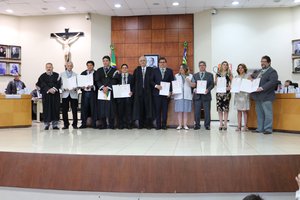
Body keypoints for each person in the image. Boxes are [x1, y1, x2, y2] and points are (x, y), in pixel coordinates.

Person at [250, 55, 278, 135]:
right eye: (261, 61)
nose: (262, 63)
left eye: (264, 62)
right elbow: (252, 78)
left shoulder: (272, 72)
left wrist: (262, 87)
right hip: (257, 96)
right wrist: (251, 80)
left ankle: (268, 129)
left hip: (266, 96)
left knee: (268, 113)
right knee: (259, 113)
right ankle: (260, 128)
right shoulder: (259, 71)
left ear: (269, 62)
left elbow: (272, 82)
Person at [95, 55, 118, 129]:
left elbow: (115, 80)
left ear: (109, 62)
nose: (105, 62)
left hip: (110, 91)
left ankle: (111, 124)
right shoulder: (99, 70)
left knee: (111, 108)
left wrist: (108, 87)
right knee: (102, 108)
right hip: (102, 92)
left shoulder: (114, 70)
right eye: (104, 61)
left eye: (106, 61)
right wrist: (102, 87)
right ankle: (103, 124)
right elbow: (97, 80)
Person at [151, 57, 174, 130]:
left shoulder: (170, 71)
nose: (162, 63)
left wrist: (170, 91)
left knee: (165, 110)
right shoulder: (154, 71)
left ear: (166, 63)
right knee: (157, 110)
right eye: (161, 62)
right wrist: (156, 85)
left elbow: (172, 82)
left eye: (163, 62)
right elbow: (151, 81)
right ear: (158, 63)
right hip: (157, 94)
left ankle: (164, 125)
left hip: (166, 95)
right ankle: (158, 125)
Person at [37, 63, 61, 130]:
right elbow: (41, 84)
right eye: (47, 67)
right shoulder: (42, 76)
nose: (49, 68)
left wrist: (53, 89)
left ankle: (55, 125)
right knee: (47, 109)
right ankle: (46, 124)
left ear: (52, 67)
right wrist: (48, 89)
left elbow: (59, 83)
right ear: (45, 68)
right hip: (46, 95)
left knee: (55, 109)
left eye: (50, 67)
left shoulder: (57, 75)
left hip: (55, 95)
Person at [132, 56, 154, 129]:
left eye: (144, 60)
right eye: (141, 61)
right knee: (140, 109)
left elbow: (152, 81)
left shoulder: (151, 70)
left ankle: (148, 125)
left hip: (148, 93)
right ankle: (141, 124)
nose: (142, 62)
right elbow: (133, 82)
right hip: (139, 93)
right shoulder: (136, 70)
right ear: (139, 62)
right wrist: (132, 91)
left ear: (146, 61)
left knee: (148, 108)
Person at [192, 61, 214, 130]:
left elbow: (212, 84)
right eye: (200, 65)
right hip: (197, 96)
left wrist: (208, 89)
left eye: (203, 65)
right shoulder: (195, 75)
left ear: (205, 66)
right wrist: (194, 89)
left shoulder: (210, 75)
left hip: (206, 95)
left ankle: (207, 125)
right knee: (197, 111)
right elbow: (193, 84)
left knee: (207, 111)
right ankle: (197, 125)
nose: (202, 66)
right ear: (199, 67)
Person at [173, 64, 193, 130]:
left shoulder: (190, 76)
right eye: (180, 68)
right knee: (179, 111)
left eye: (182, 68)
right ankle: (179, 125)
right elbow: (174, 85)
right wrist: (174, 91)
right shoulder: (176, 76)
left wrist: (188, 81)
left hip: (187, 95)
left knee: (185, 111)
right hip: (179, 96)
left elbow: (193, 85)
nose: (180, 69)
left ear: (185, 69)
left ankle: (185, 125)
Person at [115, 64, 134, 129]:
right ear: (121, 69)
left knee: (128, 111)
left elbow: (134, 86)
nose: (124, 69)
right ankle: (121, 124)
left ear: (128, 69)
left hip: (128, 96)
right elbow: (114, 85)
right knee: (120, 111)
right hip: (120, 96)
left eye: (126, 68)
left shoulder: (131, 77)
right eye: (123, 68)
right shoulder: (117, 76)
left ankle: (129, 124)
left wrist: (132, 92)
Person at [60, 61, 79, 129]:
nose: (69, 67)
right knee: (64, 110)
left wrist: (75, 88)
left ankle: (75, 124)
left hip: (73, 94)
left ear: (72, 66)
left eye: (71, 66)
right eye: (68, 66)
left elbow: (78, 85)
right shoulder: (61, 74)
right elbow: (60, 85)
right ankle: (66, 124)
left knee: (74, 110)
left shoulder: (76, 74)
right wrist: (63, 89)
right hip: (65, 94)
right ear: (66, 66)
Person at [215, 61, 233, 131]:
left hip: (226, 93)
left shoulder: (229, 74)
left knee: (225, 109)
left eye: (226, 65)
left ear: (227, 66)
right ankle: (220, 124)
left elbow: (232, 82)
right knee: (219, 109)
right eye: (223, 65)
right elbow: (215, 83)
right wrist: (217, 81)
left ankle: (225, 124)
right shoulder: (217, 74)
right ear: (221, 66)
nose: (225, 66)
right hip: (219, 93)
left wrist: (230, 87)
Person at [79, 60, 97, 129]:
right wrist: (82, 86)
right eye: (88, 65)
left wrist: (93, 86)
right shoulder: (83, 73)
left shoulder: (96, 73)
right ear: (86, 66)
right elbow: (80, 83)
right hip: (85, 93)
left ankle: (94, 123)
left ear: (93, 66)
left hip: (93, 93)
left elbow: (98, 82)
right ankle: (83, 123)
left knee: (93, 108)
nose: (89, 67)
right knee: (84, 108)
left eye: (91, 65)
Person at [234, 64, 250, 132]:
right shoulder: (236, 77)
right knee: (239, 111)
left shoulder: (247, 76)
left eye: (242, 68)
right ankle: (239, 126)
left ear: (244, 69)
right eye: (239, 68)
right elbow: (234, 85)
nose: (240, 69)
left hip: (244, 95)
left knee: (244, 111)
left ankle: (245, 126)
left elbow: (249, 85)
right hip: (238, 95)